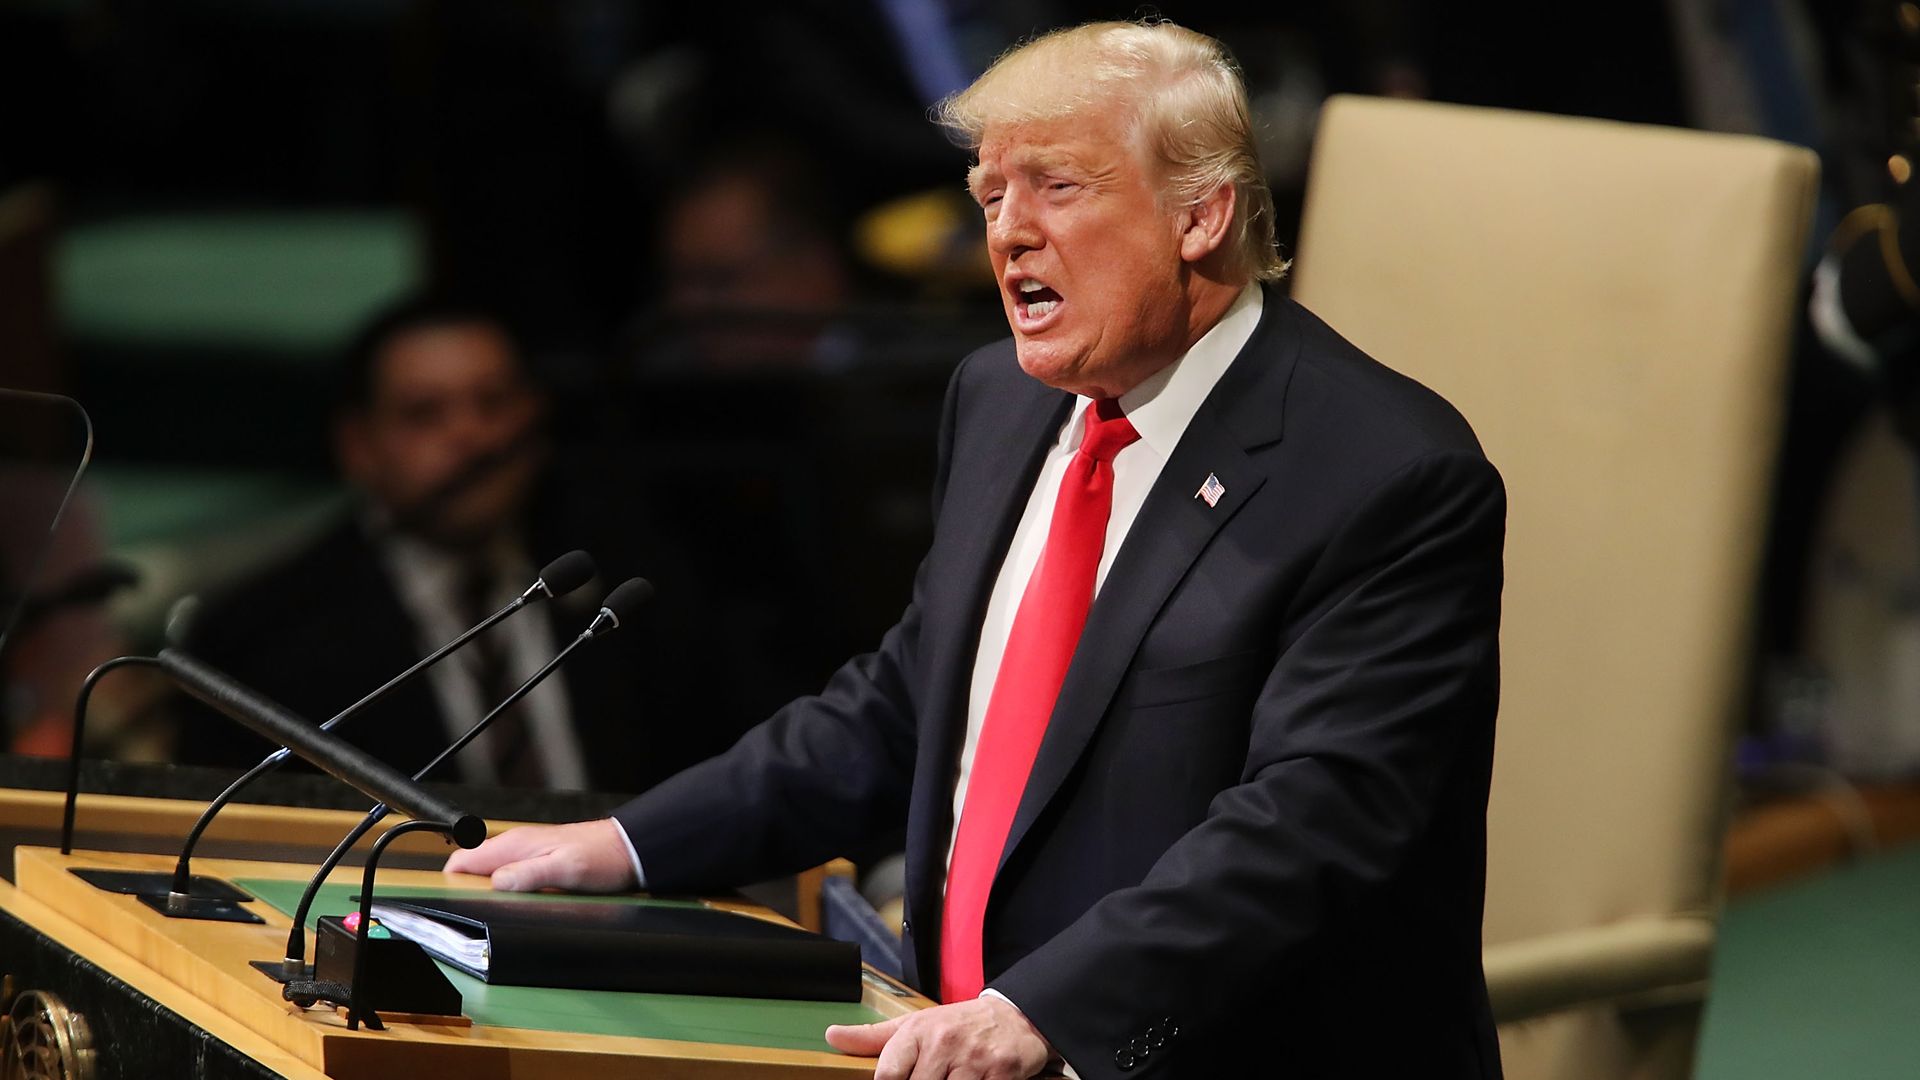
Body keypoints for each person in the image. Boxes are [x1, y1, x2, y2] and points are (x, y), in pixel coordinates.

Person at [449, 20, 1505, 1078]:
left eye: (1055, 187)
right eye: (991, 197)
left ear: (1202, 214)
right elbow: (911, 704)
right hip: (940, 1042)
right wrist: (629, 843)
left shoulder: (1384, 474)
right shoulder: (999, 398)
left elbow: (1310, 825)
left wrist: (1041, 1011)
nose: (1007, 235)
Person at [176, 297, 737, 793]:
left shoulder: (631, 584)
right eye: (426, 414)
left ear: (533, 419)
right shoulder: (265, 635)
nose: (472, 437)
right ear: (358, 446)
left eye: (493, 403)